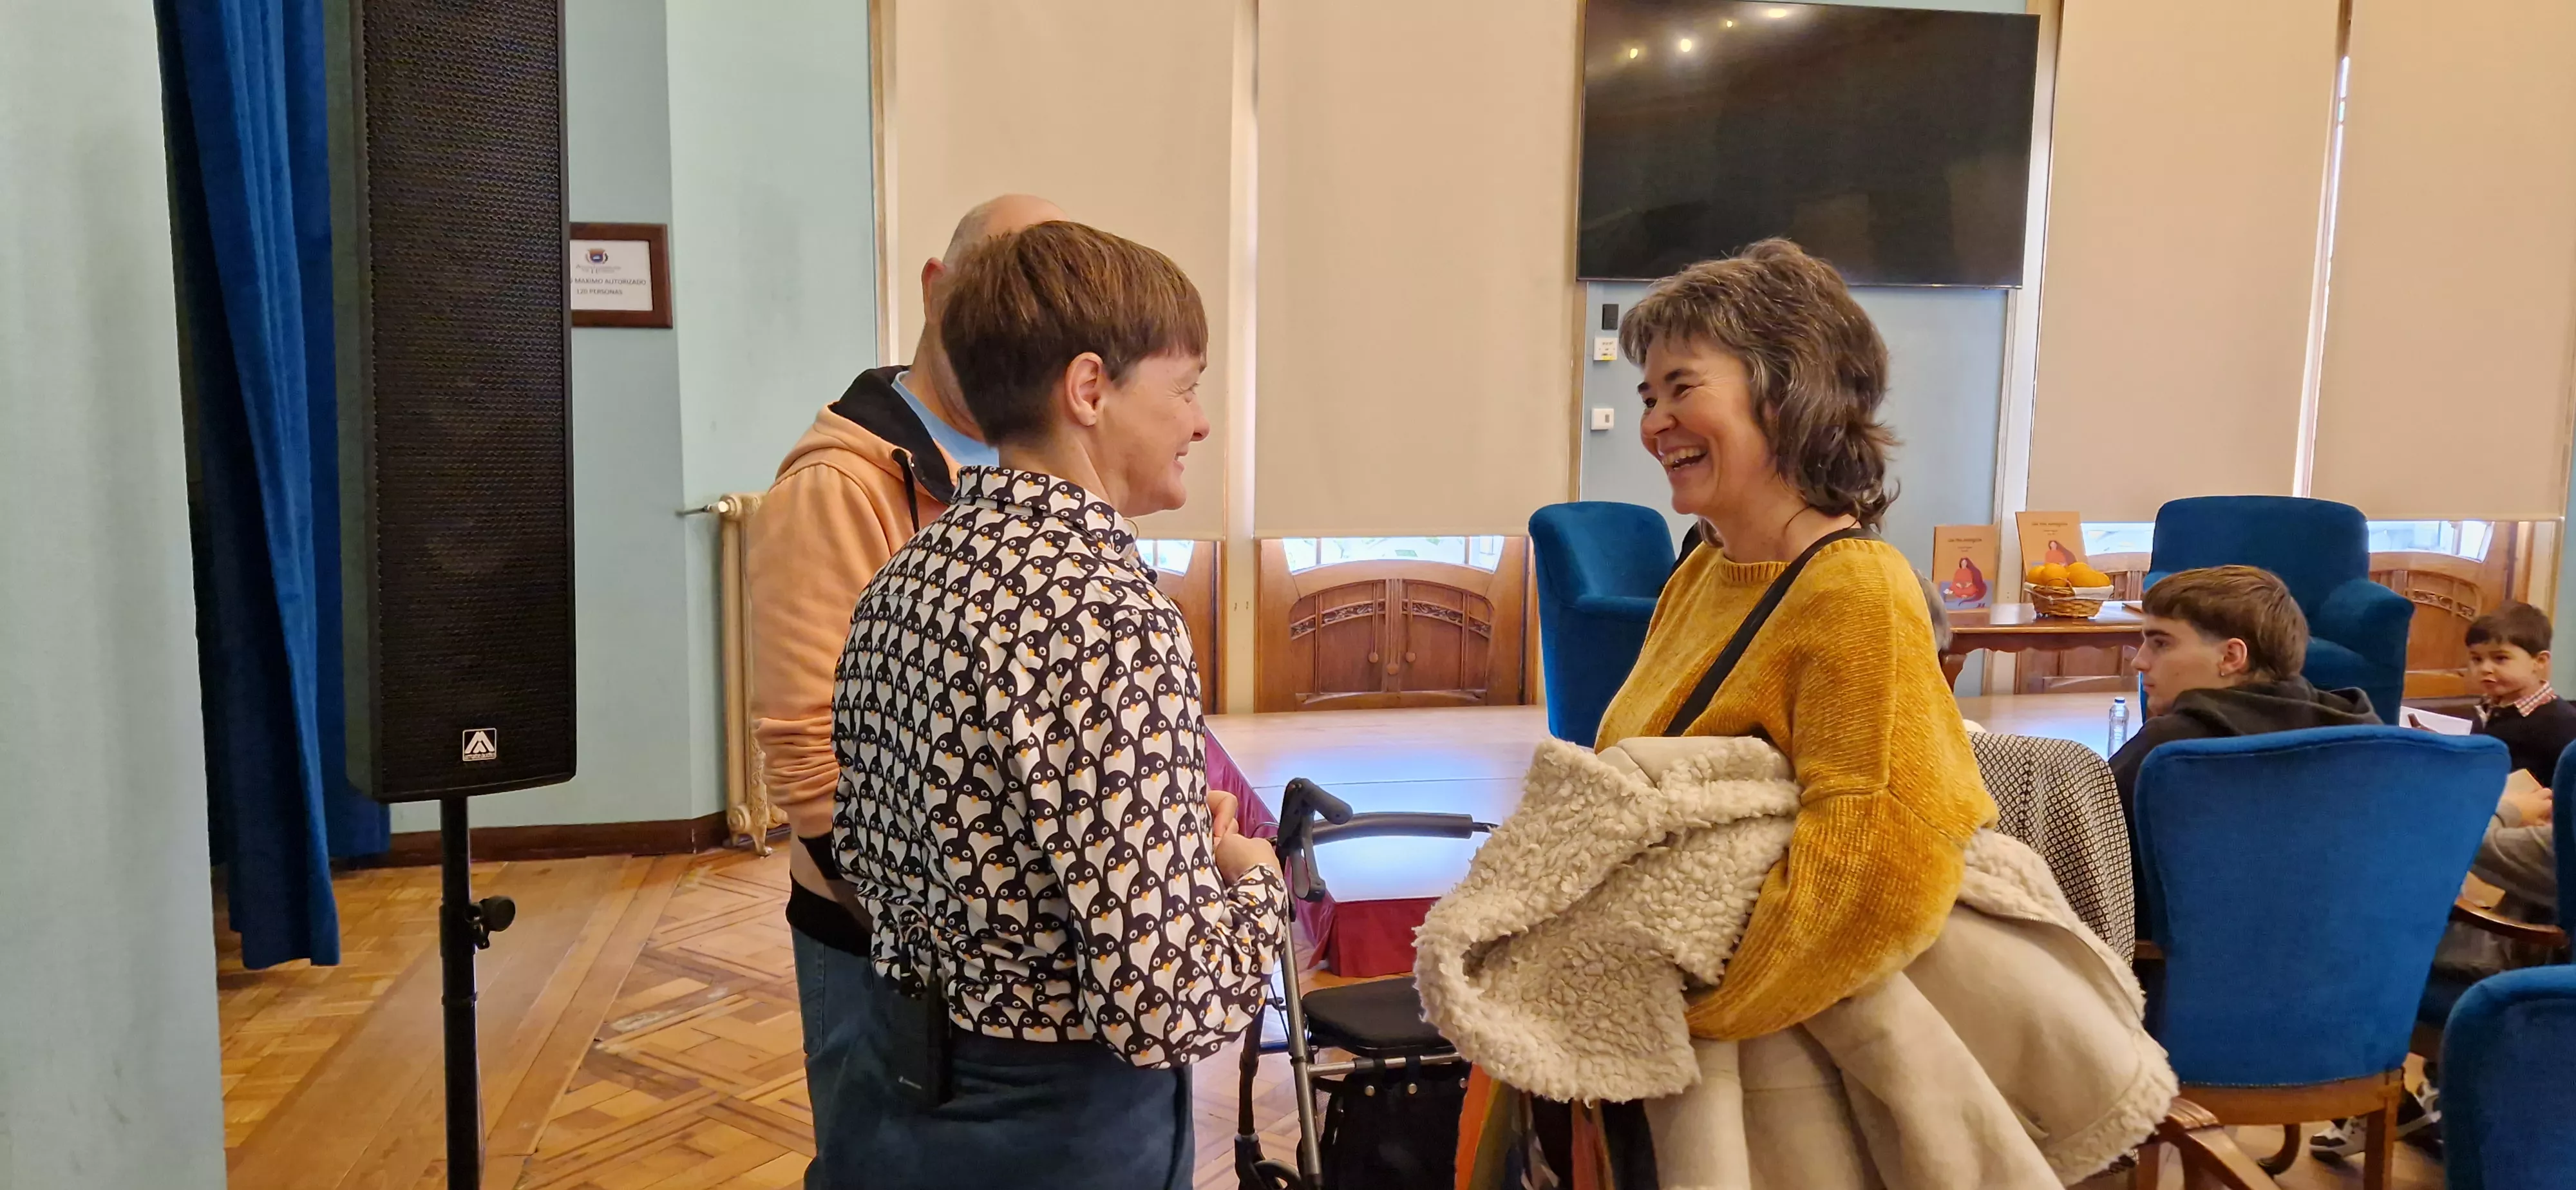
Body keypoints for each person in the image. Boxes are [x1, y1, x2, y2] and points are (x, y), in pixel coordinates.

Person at [824, 220, 1284, 1189]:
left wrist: (1148, 848)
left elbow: (875, 850)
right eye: (1187, 388)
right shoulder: (1107, 611)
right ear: (1088, 390)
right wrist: (1250, 881)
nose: (1200, 423)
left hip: (897, 1084)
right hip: (1053, 1124)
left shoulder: (908, 574)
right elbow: (1166, 1004)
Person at [1593, 238, 1997, 1043]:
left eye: (1682, 388)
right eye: (1647, 396)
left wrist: (1693, 1023)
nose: (1653, 424)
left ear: (1786, 394)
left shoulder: (1855, 591)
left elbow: (1880, 873)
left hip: (1749, 1055)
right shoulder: (1705, 571)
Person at [743, 193, 1062, 1188]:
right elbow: (808, 748)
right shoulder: (842, 485)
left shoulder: (1028, 459)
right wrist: (909, 920)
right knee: (879, 1160)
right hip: (881, 941)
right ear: (936, 291)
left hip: (991, 940)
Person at [2105, 565, 2377, 811]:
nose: (2139, 662)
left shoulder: (2170, 745)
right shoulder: (2368, 736)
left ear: (2231, 657)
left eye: (2161, 644)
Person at [2462, 601, 2576, 787]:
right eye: (2477, 659)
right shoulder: (2488, 706)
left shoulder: (2563, 723)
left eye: (2501, 658)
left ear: (2539, 661)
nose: (2484, 669)